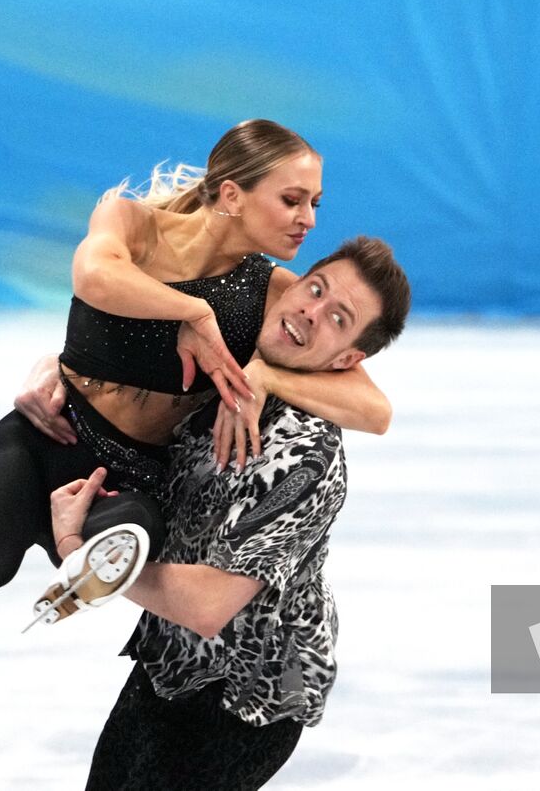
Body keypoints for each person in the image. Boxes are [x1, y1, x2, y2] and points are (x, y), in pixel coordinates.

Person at [0, 120, 390, 691]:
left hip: (129, 477)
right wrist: (193, 311)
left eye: (314, 203)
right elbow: (94, 278)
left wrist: (259, 375)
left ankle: (84, 568)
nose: (308, 219)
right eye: (292, 200)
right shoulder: (131, 224)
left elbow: (374, 407)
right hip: (46, 436)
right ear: (230, 194)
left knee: (131, 535)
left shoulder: (274, 292)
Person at [38, 236, 410, 790]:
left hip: (243, 700)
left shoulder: (304, 455)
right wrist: (54, 369)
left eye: (337, 317)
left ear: (347, 359)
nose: (309, 311)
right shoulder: (229, 365)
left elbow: (210, 604)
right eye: (315, 288)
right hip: (170, 664)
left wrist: (81, 557)